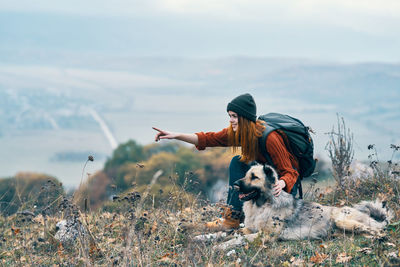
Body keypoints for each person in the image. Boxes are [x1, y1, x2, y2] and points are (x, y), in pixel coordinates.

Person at [153, 93, 300, 230]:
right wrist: (176, 135)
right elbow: (208, 138)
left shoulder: (270, 138)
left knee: (240, 162)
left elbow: (290, 171)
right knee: (238, 161)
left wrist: (281, 183)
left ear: (245, 118)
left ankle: (238, 217)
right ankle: (232, 218)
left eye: (234, 116)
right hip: (263, 185)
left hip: (281, 189)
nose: (231, 120)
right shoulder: (240, 133)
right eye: (230, 116)